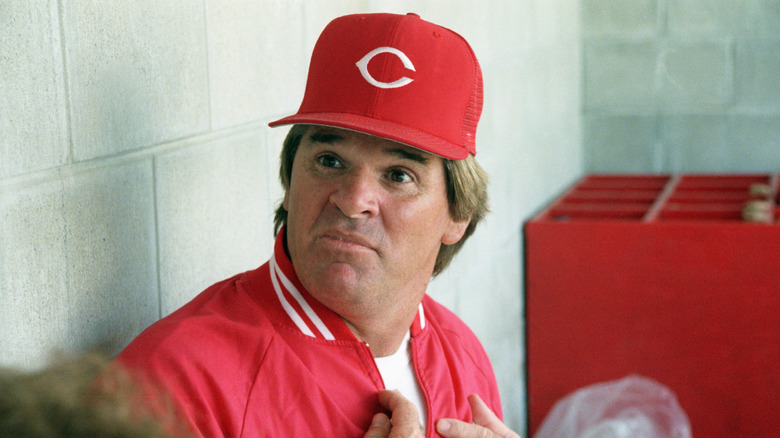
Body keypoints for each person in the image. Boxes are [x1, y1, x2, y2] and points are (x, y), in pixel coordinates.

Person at [115, 12, 520, 438]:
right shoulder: (170, 381)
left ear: (458, 215)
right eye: (329, 161)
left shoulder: (461, 352)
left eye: (399, 174)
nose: (352, 200)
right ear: (290, 183)